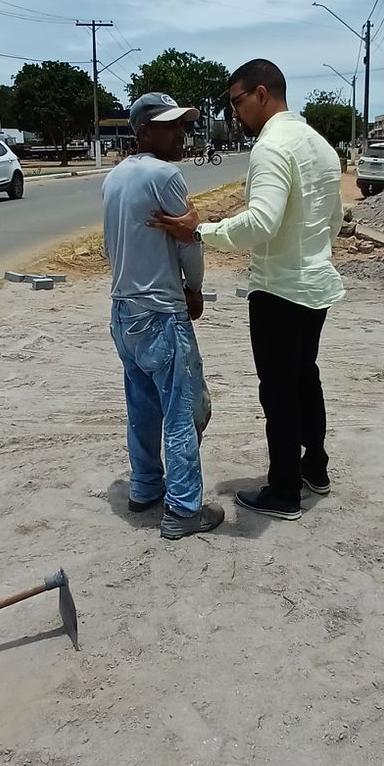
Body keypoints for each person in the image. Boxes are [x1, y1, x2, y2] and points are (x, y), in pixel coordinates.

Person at [152, 57, 343, 521]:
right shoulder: (319, 144)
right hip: (315, 285)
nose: (234, 111)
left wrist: (199, 232)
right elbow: (334, 220)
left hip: (279, 290)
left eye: (236, 101)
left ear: (261, 93)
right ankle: (314, 467)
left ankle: (283, 491)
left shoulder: (272, 147)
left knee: (278, 390)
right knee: (305, 377)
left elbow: (260, 222)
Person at [102, 92, 223, 541]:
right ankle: (184, 511)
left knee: (142, 407)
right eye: (171, 125)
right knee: (183, 411)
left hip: (123, 311)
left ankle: (146, 487)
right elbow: (189, 239)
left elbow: (110, 246)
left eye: (183, 124)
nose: (181, 133)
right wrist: (193, 289)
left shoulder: (114, 178)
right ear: (144, 130)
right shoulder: (165, 174)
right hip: (161, 312)